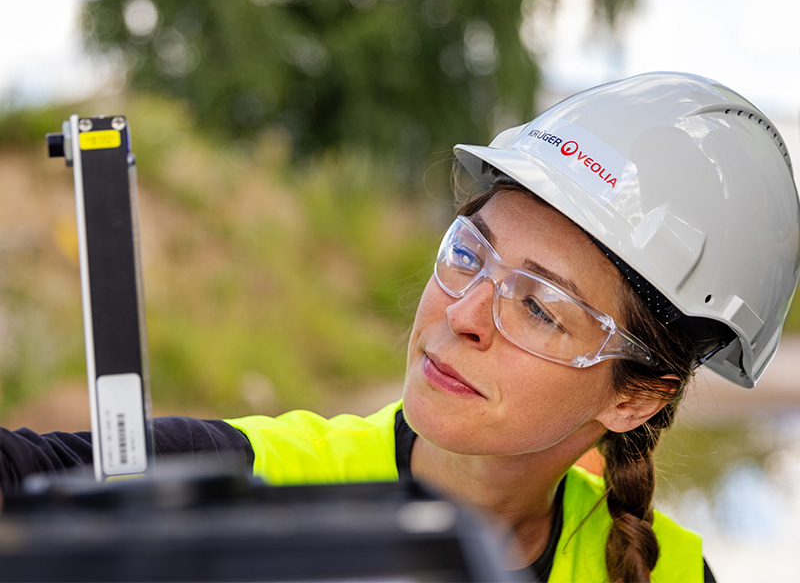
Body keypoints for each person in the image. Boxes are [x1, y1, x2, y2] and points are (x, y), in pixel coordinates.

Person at [1, 71, 799, 582]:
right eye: (467, 253)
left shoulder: (668, 572)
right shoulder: (263, 483)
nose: (461, 314)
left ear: (636, 398)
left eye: (539, 307)